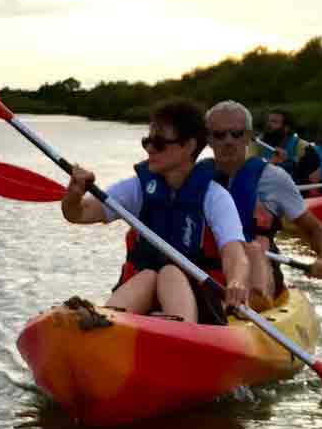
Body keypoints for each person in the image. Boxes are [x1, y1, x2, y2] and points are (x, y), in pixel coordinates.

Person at [61, 98, 249, 323]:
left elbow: (234, 252)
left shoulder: (214, 196)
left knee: (170, 273)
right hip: (145, 296)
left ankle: (181, 331)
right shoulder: (139, 188)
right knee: (149, 275)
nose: (150, 148)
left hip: (201, 303)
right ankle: (105, 325)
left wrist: (236, 281)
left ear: (189, 146)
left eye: (159, 143)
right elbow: (78, 214)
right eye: (147, 141)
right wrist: (74, 194)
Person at [205, 100, 322, 307]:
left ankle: (254, 306)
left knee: (255, 248)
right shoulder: (195, 177)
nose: (228, 141)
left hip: (259, 267)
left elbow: (314, 228)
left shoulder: (274, 178)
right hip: (209, 269)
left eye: (237, 134)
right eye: (219, 135)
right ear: (209, 139)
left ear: (249, 136)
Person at [253, 108, 307, 177]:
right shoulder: (258, 143)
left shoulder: (301, 145)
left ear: (286, 128)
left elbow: (305, 171)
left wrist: (287, 161)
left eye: (274, 122)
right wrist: (271, 162)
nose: (268, 125)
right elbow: (250, 164)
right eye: (268, 121)